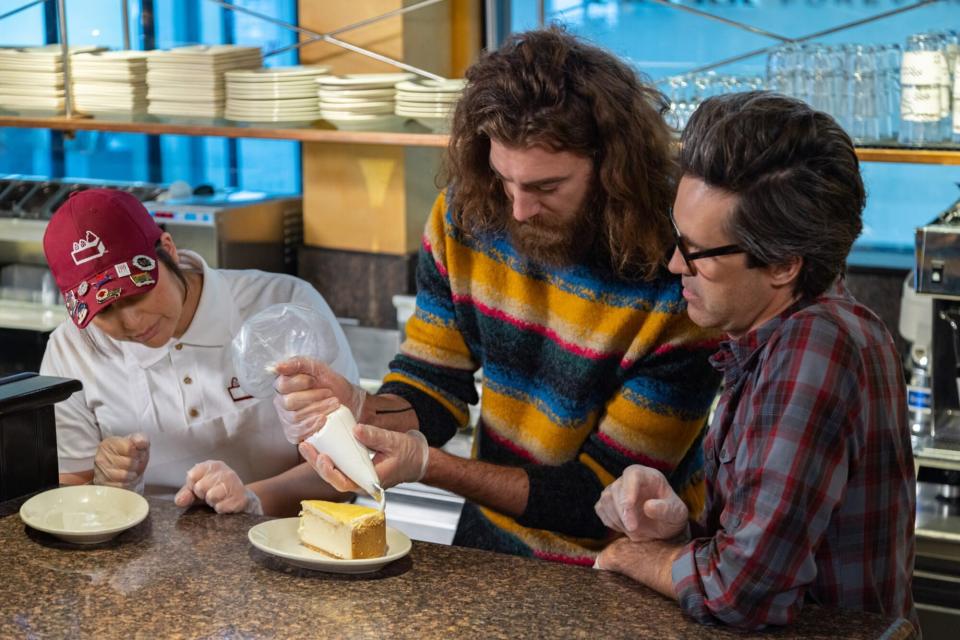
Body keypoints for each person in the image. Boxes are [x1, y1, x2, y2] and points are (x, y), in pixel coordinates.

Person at [275, 27, 721, 564]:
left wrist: (430, 467)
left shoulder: (678, 279)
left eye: (545, 188)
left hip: (625, 571)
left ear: (612, 167)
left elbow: (597, 498)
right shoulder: (466, 215)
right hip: (490, 551)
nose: (517, 209)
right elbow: (432, 385)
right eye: (504, 178)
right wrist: (365, 410)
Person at [593, 92, 918, 631]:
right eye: (678, 238)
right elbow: (769, 552)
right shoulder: (790, 334)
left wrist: (635, 557)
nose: (676, 263)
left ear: (785, 265)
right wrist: (680, 533)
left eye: (697, 250)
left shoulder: (816, 347)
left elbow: (742, 592)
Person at [39, 188, 354, 515]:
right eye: (105, 312)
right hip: (144, 553)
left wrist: (252, 501)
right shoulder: (69, 350)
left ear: (169, 250)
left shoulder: (283, 305)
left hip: (289, 538)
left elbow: (348, 467)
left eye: (137, 294)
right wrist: (107, 487)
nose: (131, 322)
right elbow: (69, 496)